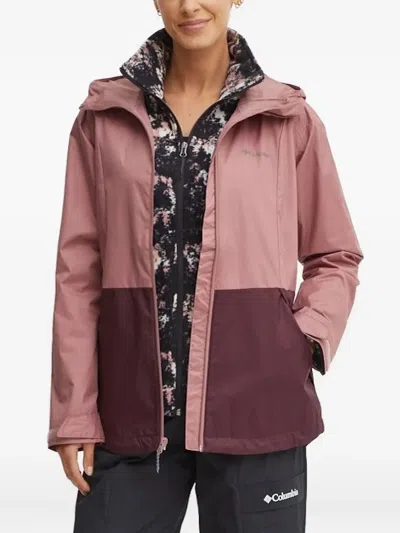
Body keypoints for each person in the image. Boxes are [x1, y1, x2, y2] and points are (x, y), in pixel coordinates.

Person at [47, 1, 364, 531]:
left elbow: (335, 254)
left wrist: (300, 341)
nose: (189, 4)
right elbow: (78, 273)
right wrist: (75, 411)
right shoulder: (103, 118)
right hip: (130, 413)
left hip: (258, 409)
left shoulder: (288, 118)